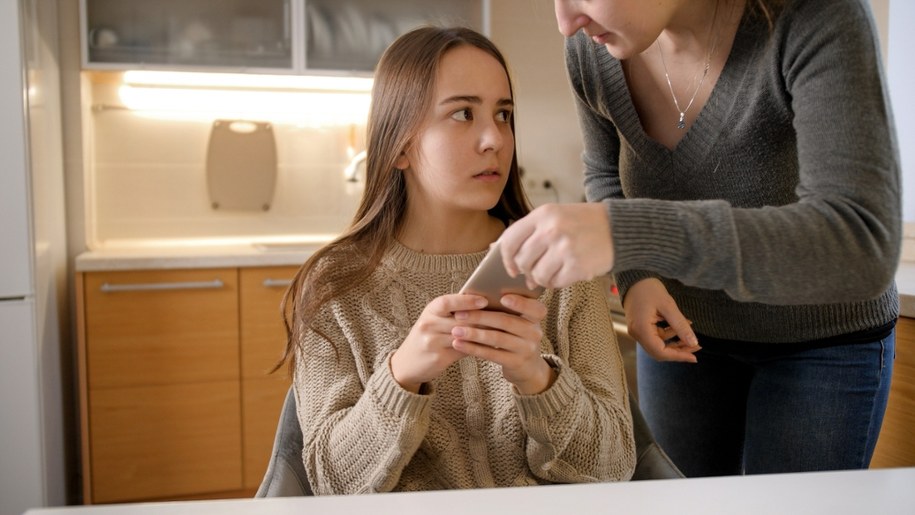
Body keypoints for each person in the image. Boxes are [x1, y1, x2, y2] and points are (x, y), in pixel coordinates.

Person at [498, 0, 901, 477]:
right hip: (684, 340)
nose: (566, 23)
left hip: (822, 344)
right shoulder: (591, 51)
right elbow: (605, 170)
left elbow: (861, 242)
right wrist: (638, 275)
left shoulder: (817, 16)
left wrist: (625, 233)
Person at [278, 26, 636, 494]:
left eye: (504, 114)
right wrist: (403, 374)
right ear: (401, 145)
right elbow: (331, 485)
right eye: (463, 113)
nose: (495, 139)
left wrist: (537, 377)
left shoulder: (560, 267)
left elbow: (616, 466)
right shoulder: (336, 286)